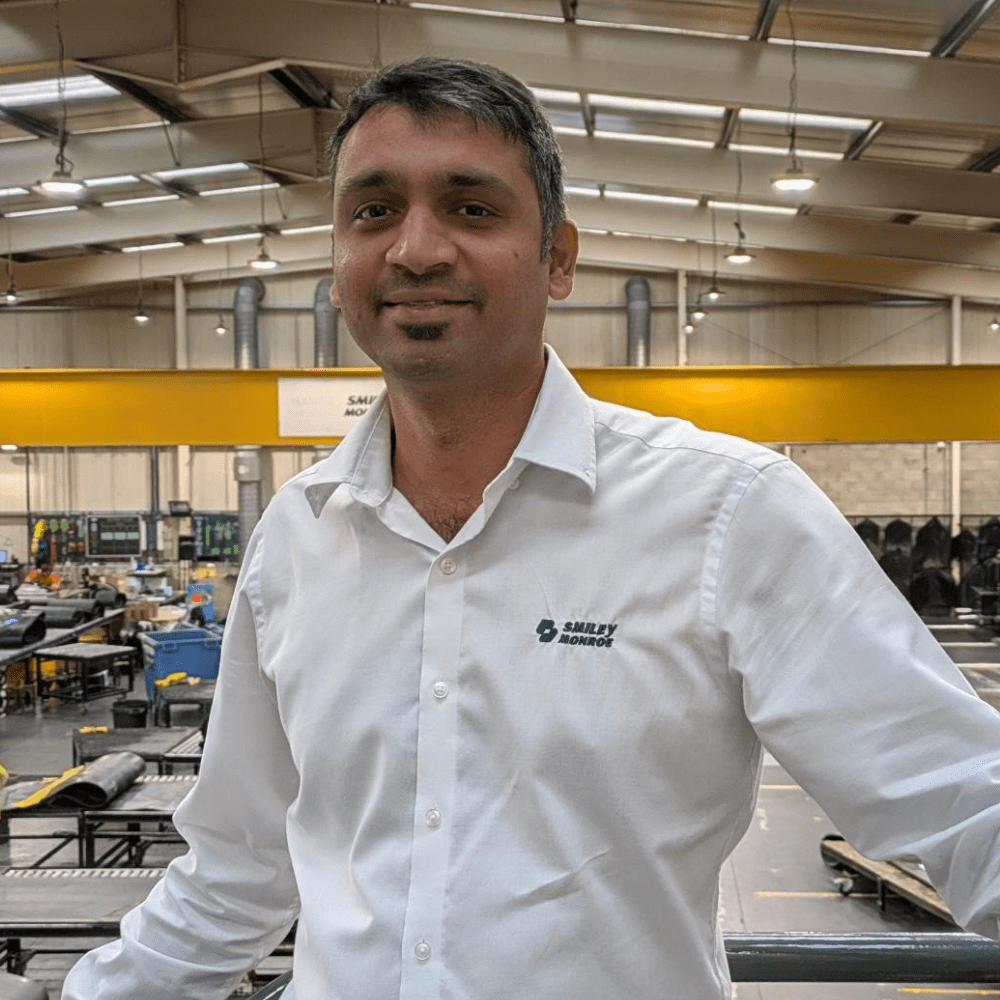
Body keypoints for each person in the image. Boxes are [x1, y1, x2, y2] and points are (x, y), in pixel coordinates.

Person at [64, 57, 1000, 1000]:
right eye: (374, 210)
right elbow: (236, 870)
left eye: (471, 208)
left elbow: (966, 803)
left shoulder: (727, 514)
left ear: (558, 258)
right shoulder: (298, 538)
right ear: (338, 259)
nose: (415, 250)